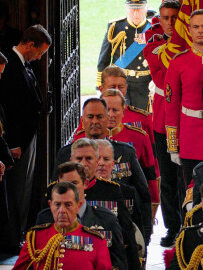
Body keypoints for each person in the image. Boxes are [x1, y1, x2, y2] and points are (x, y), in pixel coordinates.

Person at [53, 100, 152, 243]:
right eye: (90, 117)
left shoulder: (125, 152)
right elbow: (54, 189)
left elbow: (143, 195)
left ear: (107, 119)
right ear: (82, 120)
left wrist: (144, 238)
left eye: (99, 117)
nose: (95, 121)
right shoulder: (65, 153)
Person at [0, 24, 52, 254]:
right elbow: (9, 108)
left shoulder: (23, 64)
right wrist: (14, 143)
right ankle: (10, 240)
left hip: (27, 138)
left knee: (24, 189)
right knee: (16, 190)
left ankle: (17, 235)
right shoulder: (9, 65)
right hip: (18, 141)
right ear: (30, 44)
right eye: (39, 52)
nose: (39, 57)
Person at [164, 9, 203, 184]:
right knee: (191, 195)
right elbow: (171, 106)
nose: (200, 30)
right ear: (190, 30)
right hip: (190, 137)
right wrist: (173, 146)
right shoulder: (178, 62)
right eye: (196, 27)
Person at [36, 162, 132, 270]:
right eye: (65, 184)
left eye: (74, 184)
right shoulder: (45, 218)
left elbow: (120, 263)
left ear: (85, 184)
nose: (69, 189)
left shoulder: (106, 219)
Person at [143, 0, 182, 246]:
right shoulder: (155, 45)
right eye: (165, 18)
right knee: (167, 177)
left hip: (186, 120)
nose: (169, 23)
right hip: (164, 120)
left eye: (174, 18)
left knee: (185, 176)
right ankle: (172, 227)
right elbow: (163, 80)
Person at [14, 181, 112, 270]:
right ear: (50, 205)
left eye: (68, 205)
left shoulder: (97, 241)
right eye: (57, 204)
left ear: (78, 206)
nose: (62, 211)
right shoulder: (35, 237)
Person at [101, 89, 160, 219]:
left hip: (129, 207)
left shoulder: (139, 137)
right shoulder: (85, 137)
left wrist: (153, 205)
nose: (110, 114)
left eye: (115, 110)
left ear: (123, 111)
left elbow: (150, 174)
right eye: (106, 109)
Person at [96, 0, 152, 110]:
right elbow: (104, 60)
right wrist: (99, 86)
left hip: (145, 84)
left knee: (142, 120)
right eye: (132, 10)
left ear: (146, 9)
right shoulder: (115, 27)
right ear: (126, 9)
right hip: (120, 83)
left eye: (139, 9)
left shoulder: (153, 29)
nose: (135, 13)